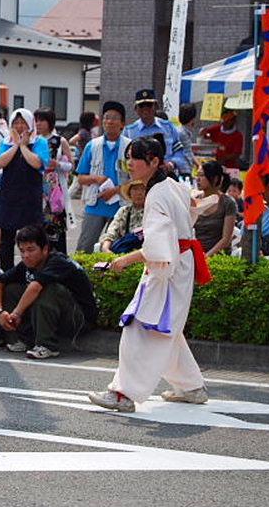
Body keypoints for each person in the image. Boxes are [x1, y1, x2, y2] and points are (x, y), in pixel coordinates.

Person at [88, 136, 213, 413]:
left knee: (140, 329)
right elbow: (193, 209)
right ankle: (192, 386)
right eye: (129, 157)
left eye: (134, 158)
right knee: (167, 329)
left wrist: (123, 260)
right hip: (178, 264)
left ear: (153, 162)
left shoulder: (156, 194)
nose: (129, 163)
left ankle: (123, 393)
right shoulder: (172, 186)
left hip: (167, 268)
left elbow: (157, 248)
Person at [0, 225, 98, 359]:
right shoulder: (26, 265)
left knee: (48, 288)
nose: (25, 255)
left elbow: (35, 287)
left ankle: (47, 345)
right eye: (22, 251)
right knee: (11, 289)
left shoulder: (58, 261)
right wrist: (0, 312)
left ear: (45, 249)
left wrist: (17, 313)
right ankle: (21, 339)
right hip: (54, 316)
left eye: (30, 250)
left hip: (78, 319)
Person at [0, 108, 50, 270]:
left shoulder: (40, 142)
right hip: (8, 196)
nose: (19, 126)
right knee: (6, 239)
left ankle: (35, 271)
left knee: (33, 237)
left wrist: (24, 147)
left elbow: (37, 163)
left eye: (23, 123)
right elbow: (0, 163)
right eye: (16, 123)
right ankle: (7, 273)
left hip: (30, 197)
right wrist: (16, 145)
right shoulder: (6, 142)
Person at [75, 101, 131, 253]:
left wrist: (115, 190)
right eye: (106, 117)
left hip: (121, 206)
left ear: (122, 124)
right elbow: (81, 178)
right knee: (85, 247)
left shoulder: (130, 147)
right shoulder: (92, 145)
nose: (109, 121)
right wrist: (97, 179)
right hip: (95, 205)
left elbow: (136, 180)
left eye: (114, 118)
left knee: (117, 249)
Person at [35, 106, 74, 255]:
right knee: (38, 230)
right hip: (36, 187)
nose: (38, 124)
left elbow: (71, 165)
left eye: (42, 120)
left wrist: (58, 165)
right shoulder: (34, 141)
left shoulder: (60, 141)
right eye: (36, 120)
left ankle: (59, 260)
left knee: (56, 230)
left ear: (50, 122)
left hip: (54, 190)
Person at [123, 89, 184, 171]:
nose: (145, 109)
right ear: (135, 109)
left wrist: (171, 164)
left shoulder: (168, 127)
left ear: (156, 106)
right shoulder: (129, 131)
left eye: (149, 105)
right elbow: (124, 157)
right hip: (140, 178)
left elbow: (179, 150)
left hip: (166, 175)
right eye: (141, 106)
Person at [193, 161, 237, 257]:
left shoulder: (228, 203)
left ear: (215, 178)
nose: (198, 179)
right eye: (197, 175)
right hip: (194, 255)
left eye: (202, 175)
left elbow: (226, 239)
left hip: (217, 257)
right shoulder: (194, 200)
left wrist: (205, 257)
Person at [99, 180, 146, 254]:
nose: (139, 193)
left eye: (143, 189)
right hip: (125, 251)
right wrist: (106, 248)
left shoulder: (153, 211)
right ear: (129, 193)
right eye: (135, 189)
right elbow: (112, 230)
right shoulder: (124, 211)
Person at [175, 103, 197, 178]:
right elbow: (188, 152)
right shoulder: (183, 133)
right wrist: (198, 165)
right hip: (183, 170)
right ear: (192, 118)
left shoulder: (181, 130)